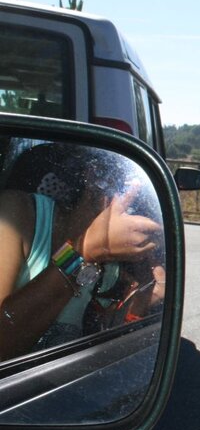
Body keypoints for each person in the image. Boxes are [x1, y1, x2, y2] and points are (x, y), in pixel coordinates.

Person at [0, 141, 163, 361]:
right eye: (127, 184)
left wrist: (143, 297)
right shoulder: (17, 215)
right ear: (93, 173)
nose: (136, 199)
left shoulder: (114, 265)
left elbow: (104, 349)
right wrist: (84, 251)